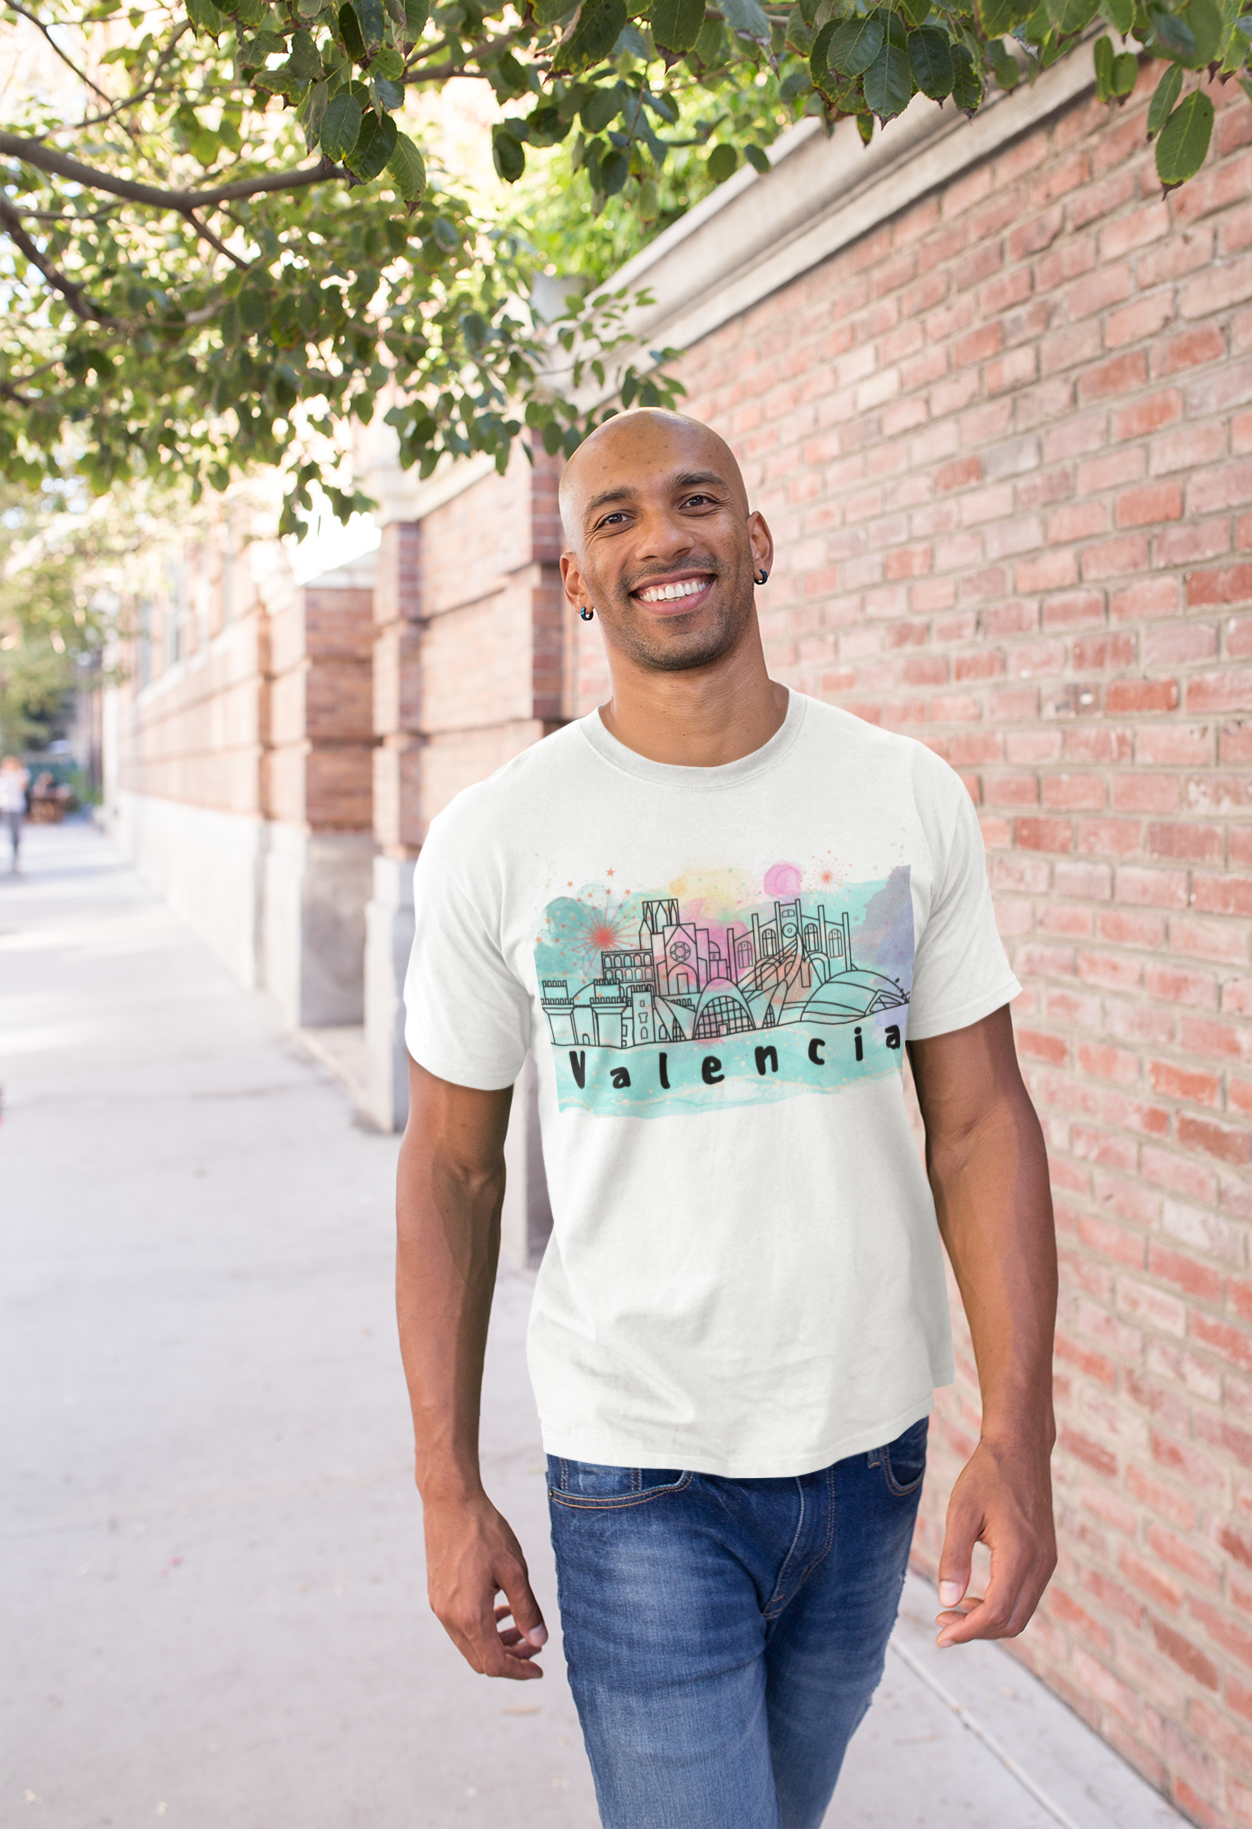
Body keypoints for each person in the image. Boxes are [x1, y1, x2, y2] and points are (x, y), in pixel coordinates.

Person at [396, 411, 1058, 1829]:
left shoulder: (903, 794)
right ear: (577, 579)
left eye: (694, 503)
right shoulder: (499, 838)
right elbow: (450, 1170)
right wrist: (447, 1490)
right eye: (615, 518)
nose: (661, 538)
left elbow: (982, 1122)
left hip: (872, 1450)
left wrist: (1020, 1434)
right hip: (641, 1466)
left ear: (754, 542)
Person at [0, 755, 28, 871]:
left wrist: (14, 776)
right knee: (10, 832)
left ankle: (15, 855)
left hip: (16, 806)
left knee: (15, 832)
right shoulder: (3, 775)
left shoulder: (21, 773)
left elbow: (23, 787)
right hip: (6, 807)